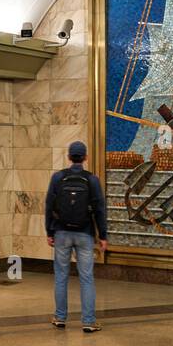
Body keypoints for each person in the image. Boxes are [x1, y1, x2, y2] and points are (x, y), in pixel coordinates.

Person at [45, 141, 108, 332]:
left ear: (69, 157)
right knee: (87, 277)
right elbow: (99, 209)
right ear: (85, 158)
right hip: (84, 233)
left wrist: (49, 232)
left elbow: (49, 206)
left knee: (61, 277)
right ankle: (88, 321)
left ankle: (60, 317)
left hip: (61, 233)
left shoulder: (58, 178)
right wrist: (102, 235)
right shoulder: (92, 180)